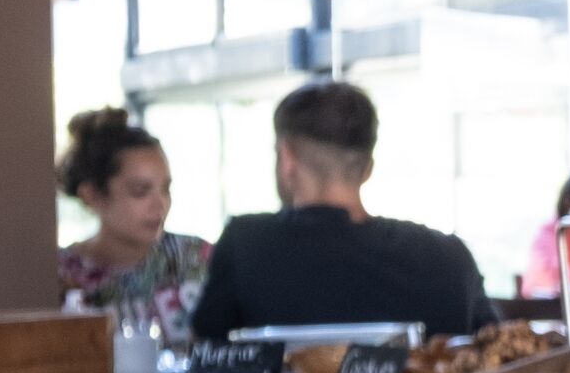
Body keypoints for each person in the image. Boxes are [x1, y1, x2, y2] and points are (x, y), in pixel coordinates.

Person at [191, 81, 492, 339]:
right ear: (368, 167)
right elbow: (500, 350)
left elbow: (203, 361)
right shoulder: (449, 256)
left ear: (287, 159)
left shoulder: (246, 245)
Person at [55, 108, 209, 339]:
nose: (160, 204)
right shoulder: (60, 275)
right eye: (140, 191)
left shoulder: (196, 258)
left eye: (166, 189)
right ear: (92, 195)